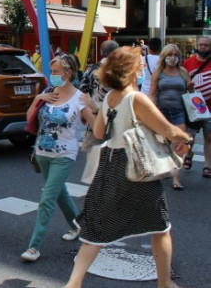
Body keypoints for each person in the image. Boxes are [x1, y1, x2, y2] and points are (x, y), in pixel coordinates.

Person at [62, 46, 191, 288]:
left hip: (111, 164)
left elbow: (100, 132)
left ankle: (73, 283)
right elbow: (168, 129)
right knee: (161, 227)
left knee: (97, 228)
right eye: (139, 64)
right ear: (132, 70)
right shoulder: (136, 98)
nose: (142, 67)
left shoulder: (110, 97)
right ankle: (164, 283)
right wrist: (185, 139)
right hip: (136, 168)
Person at [20, 55, 98, 262]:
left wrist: (95, 107)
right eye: (52, 71)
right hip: (42, 153)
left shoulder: (79, 98)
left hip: (65, 155)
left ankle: (33, 247)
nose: (52, 75)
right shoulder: (47, 92)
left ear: (68, 73)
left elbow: (97, 126)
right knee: (60, 192)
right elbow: (28, 117)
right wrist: (38, 99)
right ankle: (76, 225)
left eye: (56, 71)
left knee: (47, 198)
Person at [150, 44, 191, 190]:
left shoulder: (183, 72)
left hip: (179, 111)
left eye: (175, 55)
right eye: (170, 54)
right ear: (164, 56)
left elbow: (190, 92)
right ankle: (165, 168)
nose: (172, 58)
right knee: (163, 144)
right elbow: (152, 93)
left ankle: (176, 178)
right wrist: (150, 112)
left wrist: (191, 87)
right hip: (162, 112)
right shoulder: (159, 72)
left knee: (180, 143)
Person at [182, 36, 211, 179]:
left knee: (209, 137)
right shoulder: (188, 62)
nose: (203, 48)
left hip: (210, 108)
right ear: (197, 46)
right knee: (190, 136)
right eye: (201, 45)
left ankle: (207, 165)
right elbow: (182, 81)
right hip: (193, 106)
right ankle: (188, 153)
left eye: (206, 45)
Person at [80, 40, 119, 106]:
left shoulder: (91, 69)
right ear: (116, 52)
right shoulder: (118, 70)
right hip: (113, 108)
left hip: (93, 107)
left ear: (101, 52)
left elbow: (82, 88)